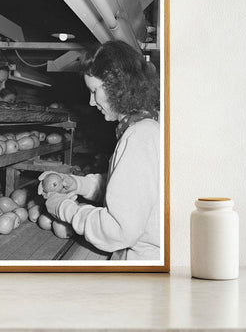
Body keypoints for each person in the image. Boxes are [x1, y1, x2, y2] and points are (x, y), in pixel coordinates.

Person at [37, 40, 160, 260]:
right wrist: (78, 184)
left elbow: (119, 230)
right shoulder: (146, 126)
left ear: (117, 87)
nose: (92, 102)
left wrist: (65, 208)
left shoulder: (139, 137)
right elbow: (127, 192)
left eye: (94, 91)